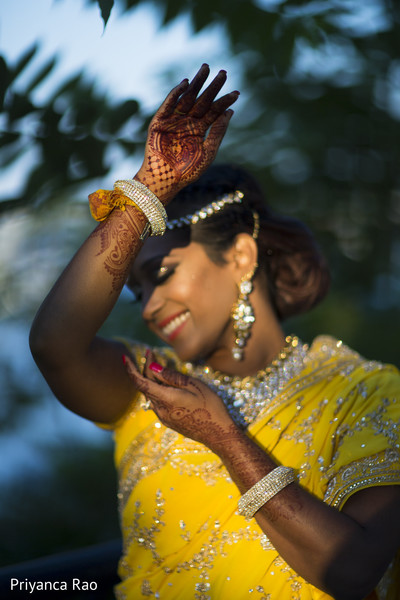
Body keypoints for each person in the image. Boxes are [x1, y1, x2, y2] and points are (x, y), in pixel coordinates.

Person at [29, 64, 400, 600]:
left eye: (161, 275)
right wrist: (149, 188)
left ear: (241, 256)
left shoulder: (362, 393)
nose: (150, 305)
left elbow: (352, 570)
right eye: (135, 292)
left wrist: (225, 439)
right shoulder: (151, 385)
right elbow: (53, 344)